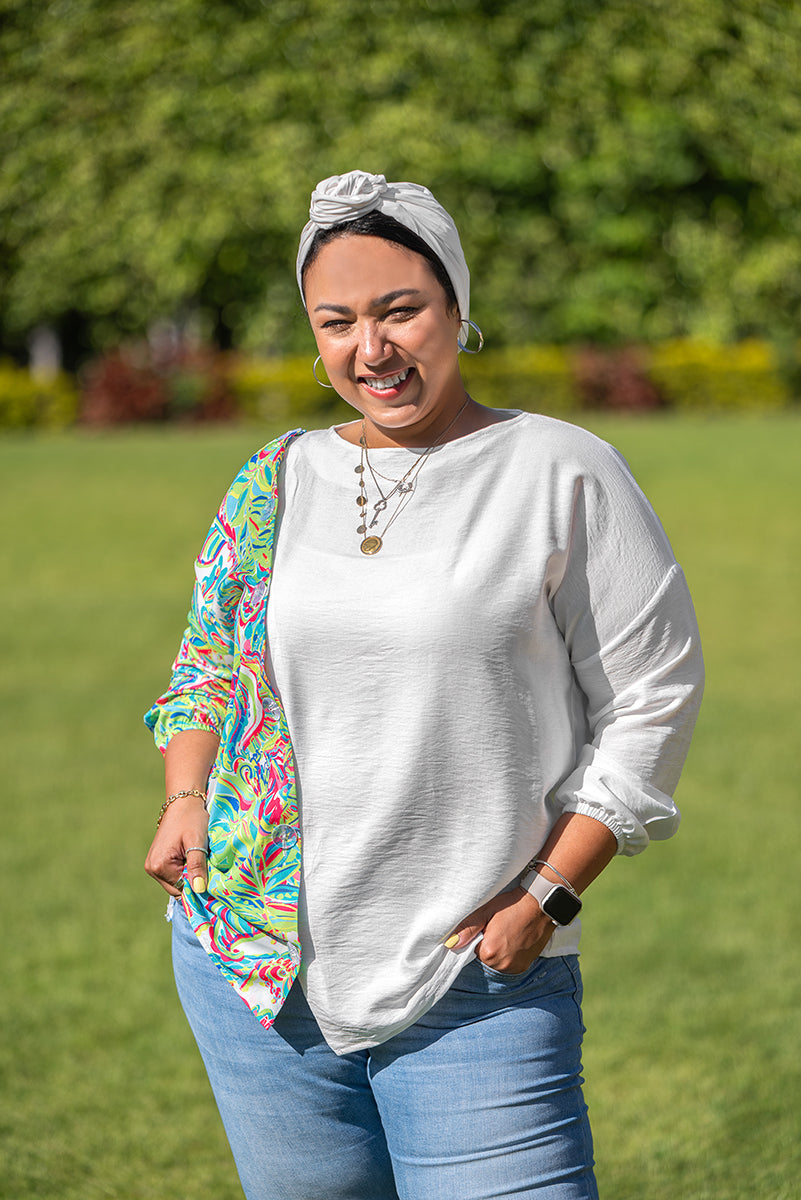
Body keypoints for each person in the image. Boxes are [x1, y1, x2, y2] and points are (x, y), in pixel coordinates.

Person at [144, 170, 704, 1200]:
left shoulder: (558, 471)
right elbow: (209, 659)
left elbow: (652, 694)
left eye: (402, 310)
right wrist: (186, 797)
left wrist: (547, 891)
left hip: (476, 976)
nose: (373, 349)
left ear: (456, 306)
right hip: (255, 975)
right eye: (338, 321)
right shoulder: (275, 476)